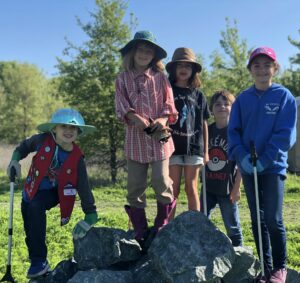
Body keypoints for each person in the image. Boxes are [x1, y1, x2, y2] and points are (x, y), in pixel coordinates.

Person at [228, 47, 297, 283]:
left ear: (275, 68)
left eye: (267, 64)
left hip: (273, 167)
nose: (261, 69)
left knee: (272, 218)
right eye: (256, 65)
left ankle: (280, 268)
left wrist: (266, 158)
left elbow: (285, 134)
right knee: (257, 219)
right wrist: (241, 157)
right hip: (248, 167)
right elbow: (233, 132)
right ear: (250, 70)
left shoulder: (283, 96)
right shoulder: (242, 99)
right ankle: (266, 270)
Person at [6, 108, 98, 279]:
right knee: (31, 227)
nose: (69, 131)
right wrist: (14, 160)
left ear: (79, 131)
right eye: (64, 126)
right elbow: (23, 147)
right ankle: (38, 262)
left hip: (54, 192)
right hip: (31, 189)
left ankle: (39, 260)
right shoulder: (41, 140)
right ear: (54, 128)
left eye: (74, 128)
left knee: (36, 206)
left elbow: (83, 186)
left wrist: (90, 214)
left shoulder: (77, 158)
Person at [115, 31, 178, 248]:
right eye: (141, 49)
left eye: (148, 50)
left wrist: (161, 119)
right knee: (135, 186)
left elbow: (170, 107)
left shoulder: (161, 78)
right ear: (132, 52)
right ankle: (140, 229)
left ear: (154, 56)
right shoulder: (122, 78)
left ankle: (163, 223)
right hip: (135, 140)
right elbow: (120, 106)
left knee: (161, 181)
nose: (144, 54)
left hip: (159, 138)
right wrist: (135, 117)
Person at [165, 47, 210, 217]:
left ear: (193, 71)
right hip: (171, 148)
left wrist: (206, 151)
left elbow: (204, 123)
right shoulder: (167, 91)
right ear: (173, 69)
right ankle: (167, 227)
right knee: (172, 188)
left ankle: (195, 226)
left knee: (191, 187)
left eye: (188, 66)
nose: (184, 69)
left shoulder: (199, 95)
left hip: (194, 148)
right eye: (180, 66)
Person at [200, 90, 243, 247]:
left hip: (227, 188)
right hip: (208, 187)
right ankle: (202, 251)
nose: (222, 107)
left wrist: (237, 188)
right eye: (217, 104)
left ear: (233, 108)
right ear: (211, 108)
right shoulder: (207, 131)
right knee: (201, 221)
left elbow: (241, 165)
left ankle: (240, 256)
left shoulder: (236, 132)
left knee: (232, 227)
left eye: (227, 104)